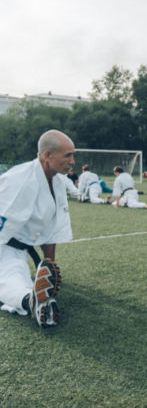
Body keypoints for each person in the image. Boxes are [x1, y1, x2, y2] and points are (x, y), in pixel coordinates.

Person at [0, 129, 74, 328]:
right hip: (3, 244)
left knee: (15, 273)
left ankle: (38, 298)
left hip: (17, 249)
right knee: (8, 278)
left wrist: (48, 267)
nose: (73, 161)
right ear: (47, 155)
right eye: (68, 155)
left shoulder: (57, 180)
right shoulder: (21, 179)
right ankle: (31, 301)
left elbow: (51, 228)